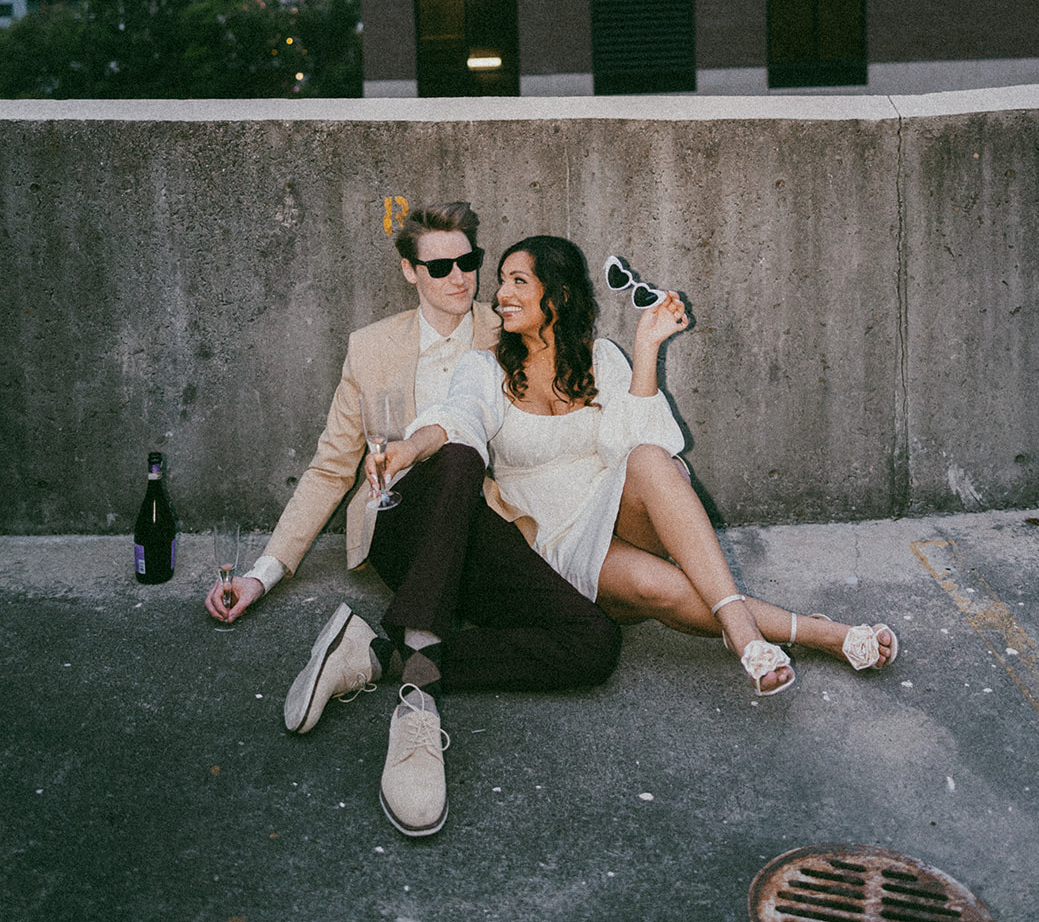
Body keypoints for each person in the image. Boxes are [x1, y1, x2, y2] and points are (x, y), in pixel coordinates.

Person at [205, 204, 621, 839]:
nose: (462, 278)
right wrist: (263, 574)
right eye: (441, 266)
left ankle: (379, 655)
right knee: (453, 455)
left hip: (486, 533)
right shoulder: (371, 349)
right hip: (399, 523)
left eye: (470, 262)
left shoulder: (510, 326)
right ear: (409, 271)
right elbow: (328, 469)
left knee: (595, 644)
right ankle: (418, 704)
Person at [384, 235, 898, 699]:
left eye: (518, 281)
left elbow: (632, 446)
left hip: (614, 497)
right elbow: (460, 418)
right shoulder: (484, 366)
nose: (501, 295)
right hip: (556, 531)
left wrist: (646, 347)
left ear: (558, 296)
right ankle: (823, 633)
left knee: (650, 458)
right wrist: (413, 447)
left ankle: (742, 634)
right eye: (501, 283)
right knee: (664, 588)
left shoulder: (601, 357)